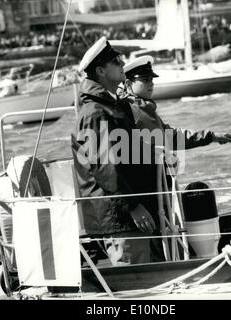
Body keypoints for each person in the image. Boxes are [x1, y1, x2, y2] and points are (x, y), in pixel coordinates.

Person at [119, 56, 231, 260]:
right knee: (156, 238)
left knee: (165, 233)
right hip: (146, 186)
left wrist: (209, 136)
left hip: (158, 184)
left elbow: (170, 136)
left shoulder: (145, 108)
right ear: (128, 83)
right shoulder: (128, 110)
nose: (151, 84)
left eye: (151, 79)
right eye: (144, 80)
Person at [71, 37, 157, 266]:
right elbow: (104, 166)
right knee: (137, 284)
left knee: (147, 276)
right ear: (100, 70)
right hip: (119, 215)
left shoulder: (110, 105)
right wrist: (133, 205)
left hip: (128, 210)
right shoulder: (95, 112)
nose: (122, 64)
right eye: (116, 61)